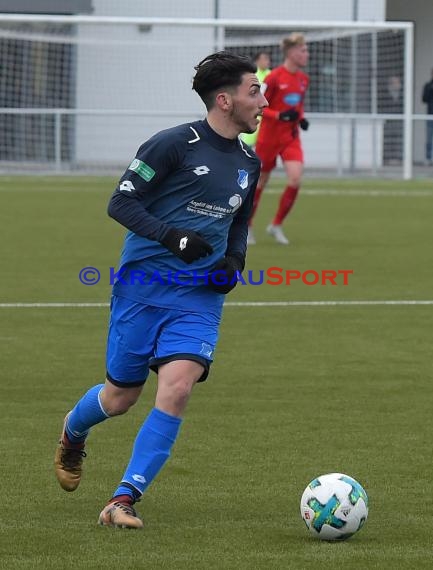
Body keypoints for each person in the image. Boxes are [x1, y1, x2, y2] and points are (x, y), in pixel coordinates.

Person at [54, 51, 267, 529]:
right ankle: (72, 431)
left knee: (177, 387)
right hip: (142, 289)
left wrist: (235, 262)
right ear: (224, 99)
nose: (263, 100)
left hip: (198, 297)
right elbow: (120, 203)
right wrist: (172, 237)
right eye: (255, 91)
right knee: (120, 397)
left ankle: (123, 498)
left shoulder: (250, 161)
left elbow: (239, 224)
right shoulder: (173, 144)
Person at [248, 33, 309, 245]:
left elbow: (298, 105)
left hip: (290, 138)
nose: (306, 54)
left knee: (295, 178)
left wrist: (301, 118)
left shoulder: (303, 79)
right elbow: (258, 104)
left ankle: (276, 225)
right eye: (303, 50)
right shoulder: (273, 78)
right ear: (291, 53)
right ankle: (247, 225)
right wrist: (279, 115)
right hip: (269, 139)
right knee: (260, 183)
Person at [240, 51, 271, 147]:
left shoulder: (271, 75)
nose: (268, 62)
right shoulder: (252, 75)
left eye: (268, 59)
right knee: (247, 144)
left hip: (267, 115)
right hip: (253, 113)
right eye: (265, 59)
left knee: (265, 147)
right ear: (257, 61)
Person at [382, 75, 403, 165]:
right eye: (396, 82)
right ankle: (387, 158)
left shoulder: (403, 94)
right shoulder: (384, 94)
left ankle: (397, 158)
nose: (398, 84)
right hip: (388, 120)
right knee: (388, 140)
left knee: (398, 140)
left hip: (399, 120)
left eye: (398, 82)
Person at [422, 68, 433, 165]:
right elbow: (424, 99)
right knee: (429, 139)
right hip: (430, 115)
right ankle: (428, 158)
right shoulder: (428, 85)